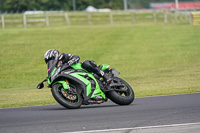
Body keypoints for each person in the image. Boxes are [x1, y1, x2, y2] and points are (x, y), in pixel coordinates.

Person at [44, 49, 111, 84]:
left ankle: (103, 75)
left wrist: (71, 61)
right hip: (73, 76)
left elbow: (76, 57)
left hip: (82, 69)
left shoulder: (63, 57)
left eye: (51, 59)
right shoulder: (56, 68)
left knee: (86, 63)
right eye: (49, 61)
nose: (51, 61)